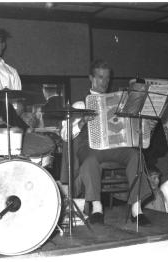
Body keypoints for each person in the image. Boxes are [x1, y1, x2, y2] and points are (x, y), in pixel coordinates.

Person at [60, 59, 152, 225]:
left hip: (114, 146)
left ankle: (136, 209)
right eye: (100, 77)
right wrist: (81, 122)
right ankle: (97, 208)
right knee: (89, 161)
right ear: (91, 78)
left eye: (107, 78)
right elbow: (65, 134)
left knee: (135, 156)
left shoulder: (119, 101)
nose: (104, 82)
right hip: (89, 148)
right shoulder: (80, 104)